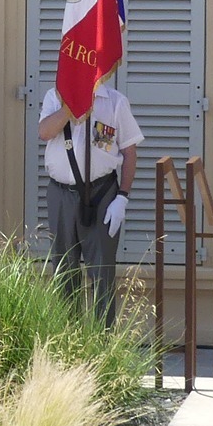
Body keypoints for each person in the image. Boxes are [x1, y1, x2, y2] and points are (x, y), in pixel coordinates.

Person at [37, 77, 143, 323]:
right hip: (61, 193)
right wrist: (69, 106)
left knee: (102, 272)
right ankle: (68, 339)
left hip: (102, 193)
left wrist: (122, 198)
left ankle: (101, 344)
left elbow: (129, 152)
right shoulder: (55, 97)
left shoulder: (115, 102)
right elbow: (45, 132)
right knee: (64, 268)